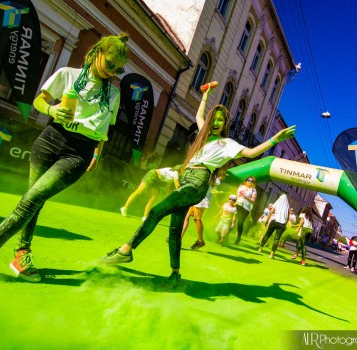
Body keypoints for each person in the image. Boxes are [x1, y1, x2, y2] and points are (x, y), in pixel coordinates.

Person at [0, 33, 130, 282]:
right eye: (110, 64)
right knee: (33, 200)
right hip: (50, 139)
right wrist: (52, 109)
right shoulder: (68, 74)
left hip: (79, 152)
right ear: (98, 53)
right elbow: (40, 101)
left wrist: (98, 153)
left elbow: (104, 128)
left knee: (32, 199)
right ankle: (22, 253)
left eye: (118, 69)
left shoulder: (112, 94)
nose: (112, 72)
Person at [101, 85, 296, 284]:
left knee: (156, 211)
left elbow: (251, 153)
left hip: (198, 181)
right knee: (175, 228)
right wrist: (204, 96)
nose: (217, 122)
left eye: (221, 120)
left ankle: (127, 249)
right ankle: (175, 273)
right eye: (215, 119)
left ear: (225, 123)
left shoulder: (227, 144)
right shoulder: (203, 136)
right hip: (186, 178)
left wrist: (274, 140)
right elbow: (198, 116)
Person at [258, 192, 290, 259]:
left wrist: (267, 220)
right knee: (277, 239)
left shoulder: (277, 203)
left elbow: (271, 212)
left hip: (274, 221)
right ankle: (272, 254)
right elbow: (288, 217)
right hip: (282, 224)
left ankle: (260, 248)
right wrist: (285, 225)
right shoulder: (288, 206)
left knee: (267, 235)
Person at [233, 176, 257, 245]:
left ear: (253, 183)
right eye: (248, 180)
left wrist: (247, 198)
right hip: (237, 204)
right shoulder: (241, 186)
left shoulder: (253, 190)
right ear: (246, 181)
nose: (249, 182)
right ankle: (224, 236)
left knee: (240, 223)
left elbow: (253, 201)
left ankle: (238, 237)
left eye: (251, 181)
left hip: (246, 208)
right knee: (232, 219)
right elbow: (236, 194)